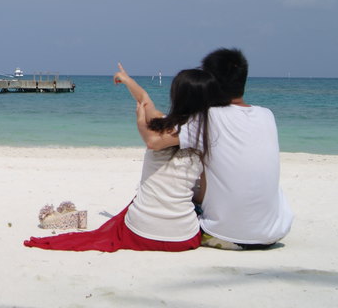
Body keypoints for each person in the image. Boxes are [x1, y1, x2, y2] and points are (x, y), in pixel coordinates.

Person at [23, 63, 226, 252]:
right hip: (183, 239)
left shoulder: (161, 126)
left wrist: (139, 119)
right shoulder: (205, 139)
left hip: (141, 234)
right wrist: (128, 80)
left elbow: (144, 103)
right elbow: (203, 194)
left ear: (177, 96)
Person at [193, 48, 294, 250]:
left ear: (209, 83)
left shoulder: (206, 117)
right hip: (272, 233)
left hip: (223, 235)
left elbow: (155, 141)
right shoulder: (267, 115)